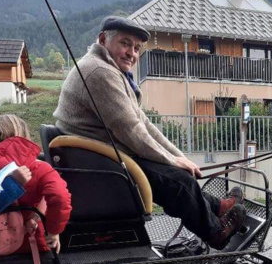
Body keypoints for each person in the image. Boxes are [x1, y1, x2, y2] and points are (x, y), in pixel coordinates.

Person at [54, 16, 245, 250]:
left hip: (103, 156)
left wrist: (178, 157)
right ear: (103, 39)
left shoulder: (108, 69)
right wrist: (172, 161)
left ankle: (218, 208)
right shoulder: (98, 72)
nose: (131, 53)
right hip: (101, 165)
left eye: (136, 48)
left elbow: (143, 123)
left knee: (177, 172)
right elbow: (132, 130)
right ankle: (216, 232)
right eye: (125, 43)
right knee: (178, 182)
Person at [0, 114, 72, 253]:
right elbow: (60, 197)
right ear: (24, 135)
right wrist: (54, 231)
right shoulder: (41, 168)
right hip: (32, 244)